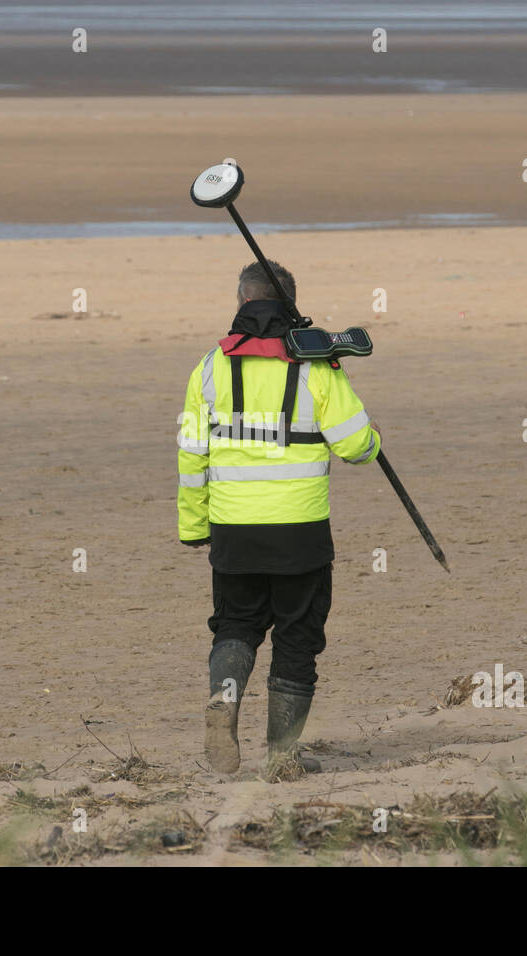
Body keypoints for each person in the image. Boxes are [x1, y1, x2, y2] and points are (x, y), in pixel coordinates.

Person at [177, 259, 381, 779]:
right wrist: (373, 436)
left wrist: (194, 527)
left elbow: (191, 456)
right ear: (290, 305)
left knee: (236, 627)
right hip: (301, 533)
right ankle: (283, 758)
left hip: (233, 530)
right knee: (297, 639)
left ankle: (223, 702)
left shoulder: (209, 367)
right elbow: (357, 446)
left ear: (242, 302)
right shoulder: (319, 366)